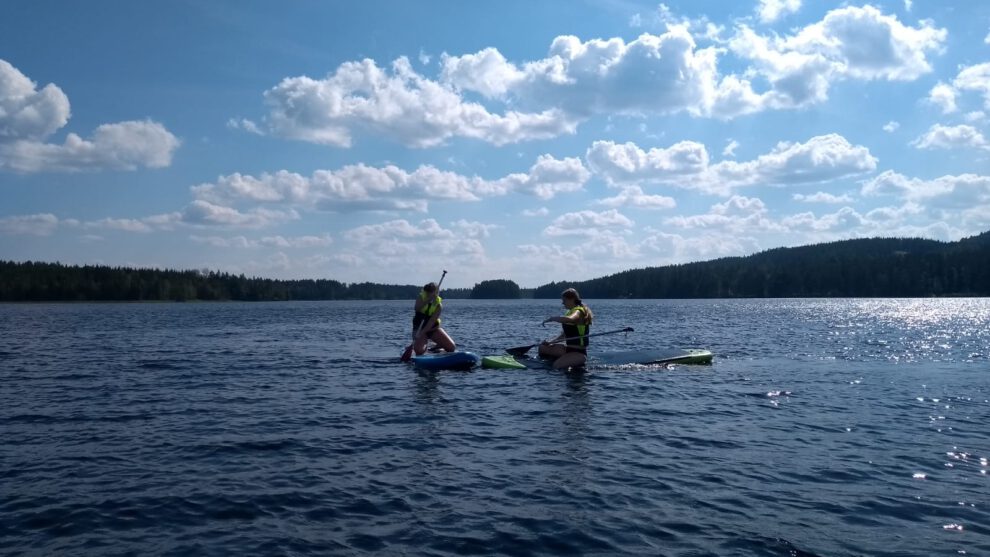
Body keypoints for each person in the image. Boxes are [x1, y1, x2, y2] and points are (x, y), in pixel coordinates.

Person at [539, 287, 593, 369]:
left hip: (578, 353)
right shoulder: (570, 311)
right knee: (542, 347)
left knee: (556, 366)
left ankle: (569, 363)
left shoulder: (579, 311)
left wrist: (552, 319)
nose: (563, 303)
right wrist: (551, 342)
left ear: (572, 299)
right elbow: (564, 334)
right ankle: (557, 360)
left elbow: (570, 319)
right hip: (568, 349)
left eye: (564, 300)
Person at [412, 281, 456, 355]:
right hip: (419, 328)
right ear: (426, 292)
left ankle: (436, 346)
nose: (432, 294)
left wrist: (422, 333)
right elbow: (417, 308)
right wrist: (428, 300)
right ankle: (425, 345)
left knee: (451, 348)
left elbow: (431, 322)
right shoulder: (421, 297)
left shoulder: (439, 305)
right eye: (429, 292)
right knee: (419, 351)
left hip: (432, 328)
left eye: (434, 292)